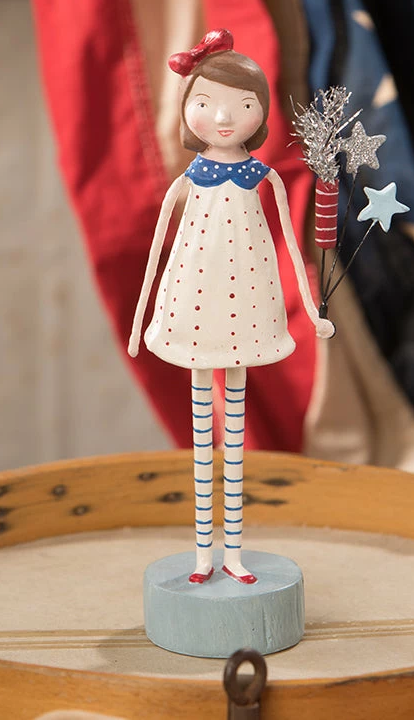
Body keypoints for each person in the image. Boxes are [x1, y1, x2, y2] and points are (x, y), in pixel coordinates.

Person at [129, 29, 334, 584]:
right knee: (203, 443)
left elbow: (295, 249)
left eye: (242, 105)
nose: (223, 117)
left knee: (236, 445)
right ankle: (203, 554)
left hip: (249, 307)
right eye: (206, 102)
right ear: (186, 110)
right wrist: (140, 319)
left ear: (261, 112)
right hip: (191, 308)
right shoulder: (187, 180)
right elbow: (156, 252)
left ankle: (235, 553)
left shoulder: (264, 177)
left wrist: (312, 311)